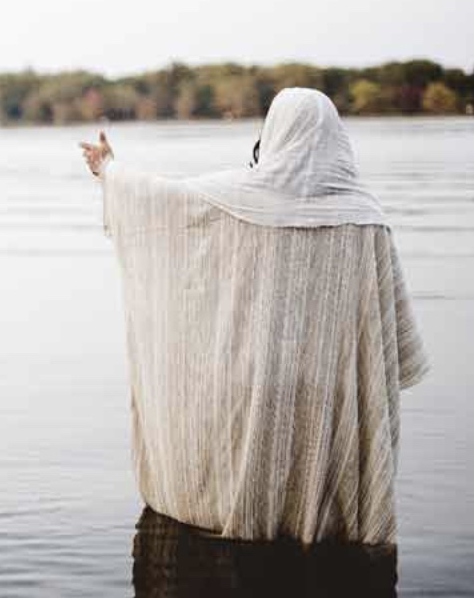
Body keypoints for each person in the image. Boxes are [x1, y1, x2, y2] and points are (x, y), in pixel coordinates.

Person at [79, 88, 429, 545]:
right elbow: (388, 330)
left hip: (248, 387)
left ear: (274, 133)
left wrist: (109, 170)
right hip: (331, 392)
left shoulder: (239, 196)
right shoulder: (366, 216)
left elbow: (162, 201)